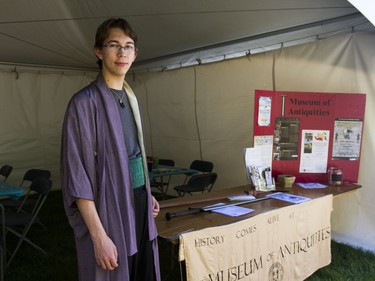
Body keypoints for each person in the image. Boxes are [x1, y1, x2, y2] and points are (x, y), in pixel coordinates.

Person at [60, 18, 161, 281]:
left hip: (138, 203)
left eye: (129, 46)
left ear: (135, 54)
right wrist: (98, 236)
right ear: (99, 51)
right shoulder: (83, 103)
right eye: (114, 45)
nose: (122, 52)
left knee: (142, 271)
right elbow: (77, 175)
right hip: (109, 209)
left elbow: (132, 156)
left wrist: (145, 192)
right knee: (114, 272)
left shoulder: (130, 98)